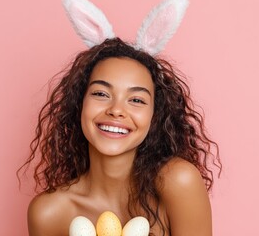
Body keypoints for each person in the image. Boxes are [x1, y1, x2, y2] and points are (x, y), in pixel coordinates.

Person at [18, 37, 221, 236]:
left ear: (154, 116)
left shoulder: (179, 182)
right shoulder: (49, 213)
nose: (116, 110)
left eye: (136, 100)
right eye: (101, 94)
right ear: (79, 104)